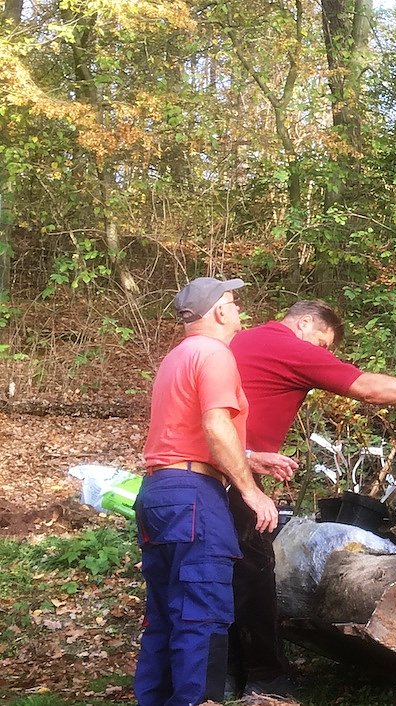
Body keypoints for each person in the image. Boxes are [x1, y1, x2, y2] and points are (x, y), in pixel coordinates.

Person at [225, 299, 396, 698]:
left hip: (226, 466)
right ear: (305, 323)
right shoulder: (288, 347)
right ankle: (264, 680)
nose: (321, 353)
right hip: (234, 475)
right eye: (322, 343)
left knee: (230, 569)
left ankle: (229, 671)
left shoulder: (242, 340)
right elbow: (367, 389)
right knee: (253, 573)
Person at [134, 277, 295, 706]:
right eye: (234, 302)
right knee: (202, 617)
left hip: (160, 492)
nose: (239, 310)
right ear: (220, 311)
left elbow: (184, 434)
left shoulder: (178, 357)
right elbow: (215, 425)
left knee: (166, 617)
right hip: (193, 498)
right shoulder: (216, 353)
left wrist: (249, 457)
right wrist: (251, 492)